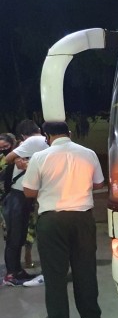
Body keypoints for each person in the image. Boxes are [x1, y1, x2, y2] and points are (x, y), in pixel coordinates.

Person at [22, 121, 104, 318]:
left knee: (55, 274)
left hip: (52, 220)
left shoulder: (40, 157)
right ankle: (91, 317)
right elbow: (99, 184)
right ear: (68, 133)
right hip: (83, 219)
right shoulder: (88, 153)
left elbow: (29, 192)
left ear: (47, 136)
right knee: (85, 270)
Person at [2, 120, 48, 286]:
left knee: (18, 235)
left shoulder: (35, 142)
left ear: (22, 134)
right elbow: (8, 158)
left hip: (21, 195)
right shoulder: (37, 141)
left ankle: (16, 271)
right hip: (18, 196)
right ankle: (11, 275)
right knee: (16, 236)